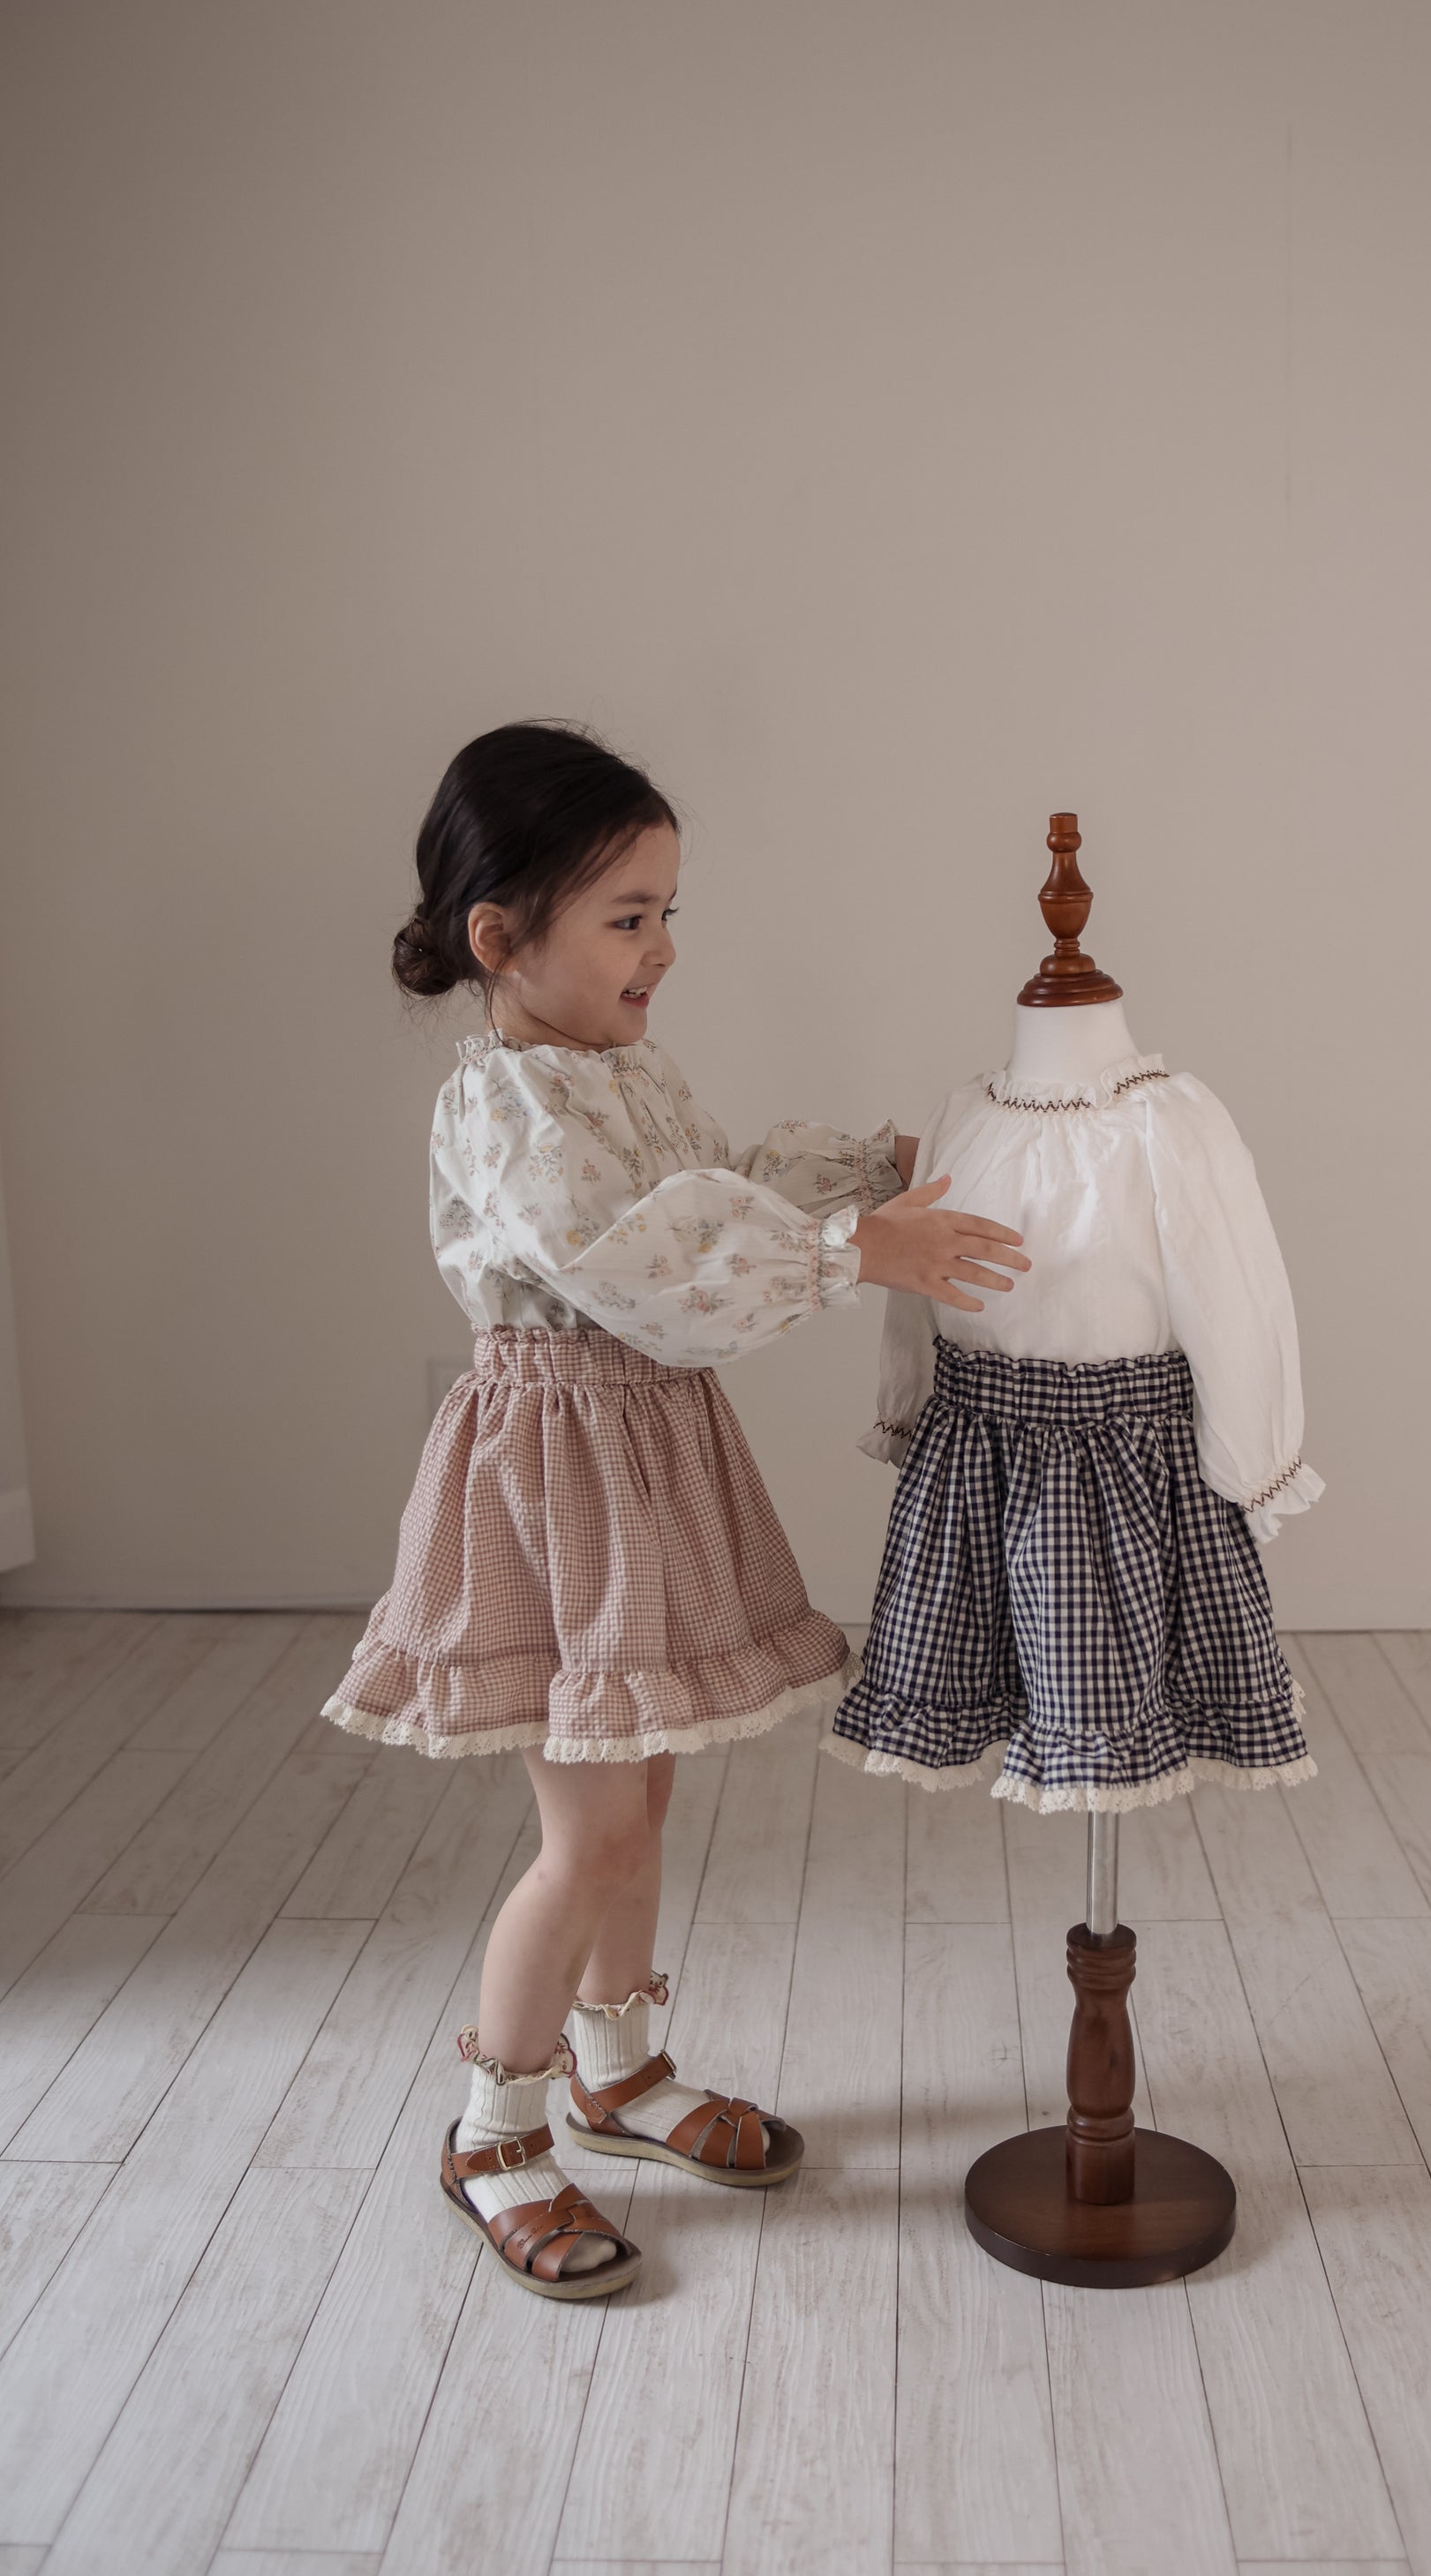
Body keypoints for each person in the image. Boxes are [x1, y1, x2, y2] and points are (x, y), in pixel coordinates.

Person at [325, 720, 1029, 2298]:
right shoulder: (507, 1107)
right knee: (583, 1838)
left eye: (666, 912)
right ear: (501, 939)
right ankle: (492, 2134)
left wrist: (869, 1173)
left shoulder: (619, 1071)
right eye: (626, 917)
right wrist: (855, 1253)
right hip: (561, 1477)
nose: (661, 949)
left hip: (639, 1456)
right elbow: (639, 1267)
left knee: (637, 1810)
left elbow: (716, 1185)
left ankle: (620, 2074)